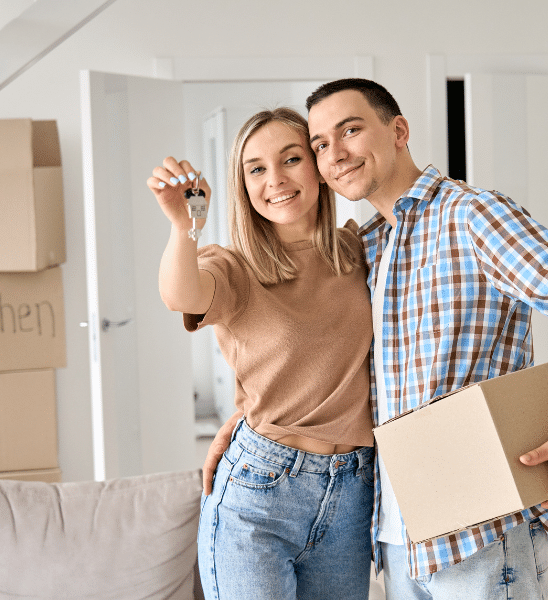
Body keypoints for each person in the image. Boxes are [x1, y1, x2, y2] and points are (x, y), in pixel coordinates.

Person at [207, 79, 548, 599]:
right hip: (397, 535)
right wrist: (247, 419)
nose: (337, 153)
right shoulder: (365, 246)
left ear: (398, 131)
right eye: (321, 144)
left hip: (481, 531)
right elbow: (324, 354)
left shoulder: (472, 216)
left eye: (351, 130)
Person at [147, 107, 376, 600]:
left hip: (354, 491)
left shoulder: (361, 251)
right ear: (243, 184)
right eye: (256, 168)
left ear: (318, 166)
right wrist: (185, 226)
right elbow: (181, 296)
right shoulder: (235, 268)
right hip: (260, 491)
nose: (276, 179)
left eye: (291, 158)